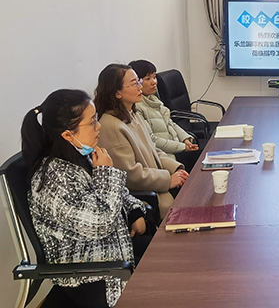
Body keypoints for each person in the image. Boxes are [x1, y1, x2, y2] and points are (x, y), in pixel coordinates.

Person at [22, 89, 149, 308]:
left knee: (170, 257)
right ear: (67, 135)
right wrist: (106, 173)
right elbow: (99, 224)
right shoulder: (53, 178)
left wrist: (135, 210)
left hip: (114, 253)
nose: (98, 126)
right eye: (92, 122)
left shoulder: (81, 157)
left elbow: (118, 194)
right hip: (92, 275)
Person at [94, 64, 189, 219]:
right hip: (148, 197)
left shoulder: (132, 113)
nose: (140, 87)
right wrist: (168, 179)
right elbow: (131, 175)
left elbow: (153, 149)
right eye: (134, 84)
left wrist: (176, 168)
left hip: (158, 182)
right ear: (117, 93)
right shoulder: (111, 125)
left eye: (138, 81)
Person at [128, 59, 201, 171]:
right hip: (166, 156)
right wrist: (182, 147)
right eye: (148, 79)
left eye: (154, 77)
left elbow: (170, 123)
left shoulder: (153, 99)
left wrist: (185, 139)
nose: (154, 82)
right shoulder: (137, 107)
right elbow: (152, 140)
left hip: (176, 149)